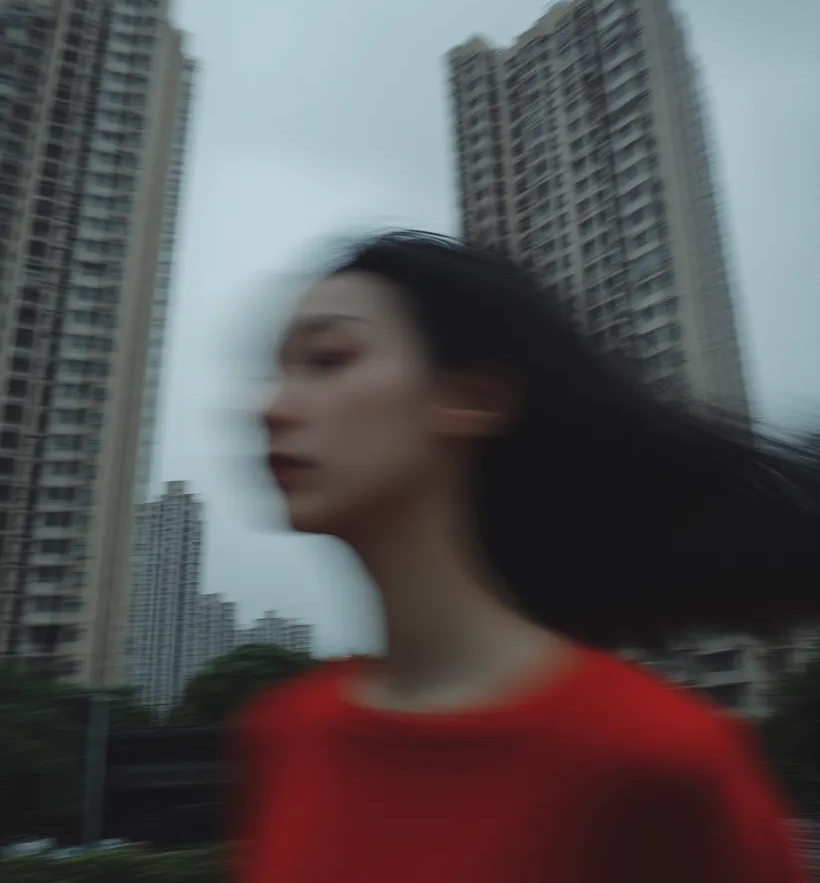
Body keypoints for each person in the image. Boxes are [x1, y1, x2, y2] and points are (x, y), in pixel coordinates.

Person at [234, 231, 819, 882]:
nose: (272, 408)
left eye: (329, 359)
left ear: (468, 399)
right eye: (278, 371)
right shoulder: (287, 734)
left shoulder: (652, 755)